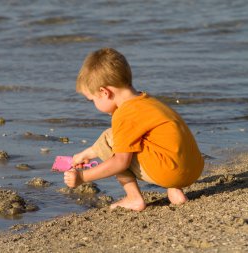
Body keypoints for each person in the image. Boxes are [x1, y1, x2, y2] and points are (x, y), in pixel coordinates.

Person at [64, 48, 204, 211]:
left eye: (92, 100)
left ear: (104, 92)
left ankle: (133, 198)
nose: (93, 104)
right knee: (142, 139)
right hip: (193, 169)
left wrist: (82, 177)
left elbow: (120, 163)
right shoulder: (146, 101)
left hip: (171, 172)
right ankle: (175, 189)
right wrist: (86, 154)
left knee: (111, 139)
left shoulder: (125, 114)